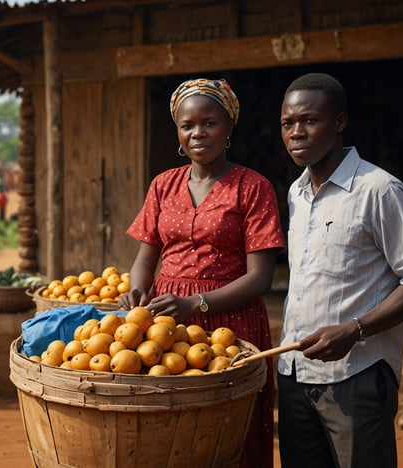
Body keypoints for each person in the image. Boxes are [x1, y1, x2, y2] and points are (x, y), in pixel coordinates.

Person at [277, 72, 403, 468]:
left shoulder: (380, 190)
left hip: (358, 376)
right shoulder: (296, 193)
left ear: (340, 122)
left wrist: (356, 329)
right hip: (295, 374)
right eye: (288, 123)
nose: (296, 132)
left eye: (310, 121)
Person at [118, 78, 286, 468]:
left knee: (228, 433)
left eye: (209, 123)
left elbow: (261, 277)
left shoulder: (252, 187)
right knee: (172, 431)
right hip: (168, 323)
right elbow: (146, 258)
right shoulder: (163, 185)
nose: (198, 133)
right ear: (177, 130)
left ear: (228, 127)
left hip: (231, 320)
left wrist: (196, 304)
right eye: (187, 125)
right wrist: (137, 291)